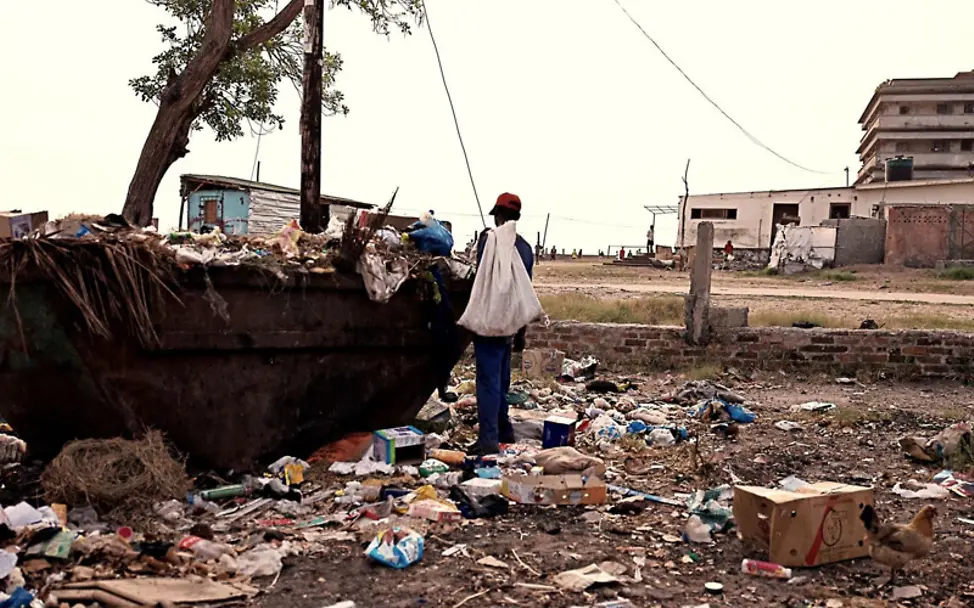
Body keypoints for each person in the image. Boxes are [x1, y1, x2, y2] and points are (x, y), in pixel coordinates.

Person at [472, 192, 534, 455]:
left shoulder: (489, 241)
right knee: (502, 379)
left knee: (488, 381)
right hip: (510, 324)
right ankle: (504, 429)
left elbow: (480, 279)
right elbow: (524, 293)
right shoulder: (526, 249)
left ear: (497, 215)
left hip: (489, 323)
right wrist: (521, 333)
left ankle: (488, 440)